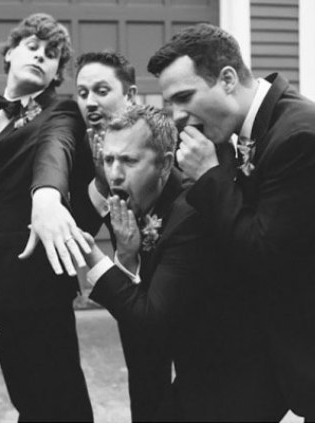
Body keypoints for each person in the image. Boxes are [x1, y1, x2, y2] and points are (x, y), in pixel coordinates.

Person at [148, 23, 315, 420]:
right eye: (170, 103)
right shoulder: (269, 125)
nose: (178, 116)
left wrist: (210, 175)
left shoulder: (300, 137)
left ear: (227, 79)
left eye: (184, 97)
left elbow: (262, 251)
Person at [82, 104, 286, 421]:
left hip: (237, 382)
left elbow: (151, 323)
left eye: (129, 161)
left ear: (165, 164)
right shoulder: (144, 203)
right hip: (197, 370)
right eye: (109, 160)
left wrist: (93, 257)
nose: (115, 174)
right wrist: (127, 256)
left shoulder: (189, 213)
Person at [0, 13, 94, 421]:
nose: (41, 56)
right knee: (27, 400)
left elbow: (55, 149)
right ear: (9, 53)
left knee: (63, 401)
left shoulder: (59, 112)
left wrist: (47, 196)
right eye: (32, 47)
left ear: (57, 72)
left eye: (51, 54)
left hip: (37, 286)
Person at [74, 50, 137, 231]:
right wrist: (101, 183)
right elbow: (83, 227)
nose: (90, 103)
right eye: (83, 93)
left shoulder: (161, 138)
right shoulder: (83, 148)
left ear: (130, 95)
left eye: (102, 91)